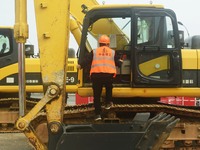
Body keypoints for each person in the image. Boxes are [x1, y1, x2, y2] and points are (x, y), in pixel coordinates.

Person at [77, 35, 123, 121]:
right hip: (108, 75)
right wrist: (121, 61)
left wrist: (80, 65)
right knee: (109, 88)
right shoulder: (112, 52)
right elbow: (118, 63)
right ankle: (108, 103)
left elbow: (87, 60)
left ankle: (97, 114)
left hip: (96, 76)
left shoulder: (94, 51)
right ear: (108, 44)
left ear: (99, 43)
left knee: (97, 95)